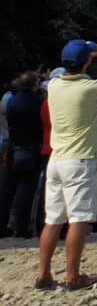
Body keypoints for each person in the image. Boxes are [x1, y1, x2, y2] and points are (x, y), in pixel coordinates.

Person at [36, 39, 97, 291]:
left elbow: (72, 64)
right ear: (87, 61)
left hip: (57, 159)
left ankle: (43, 274)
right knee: (78, 220)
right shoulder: (92, 87)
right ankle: (73, 275)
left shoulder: (53, 85)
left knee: (53, 220)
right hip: (81, 160)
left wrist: (88, 52)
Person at [0, 72, 43, 238]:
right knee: (27, 189)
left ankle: (2, 225)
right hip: (31, 148)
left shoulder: (11, 101)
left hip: (13, 146)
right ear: (34, 84)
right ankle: (21, 226)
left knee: (7, 189)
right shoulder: (38, 102)